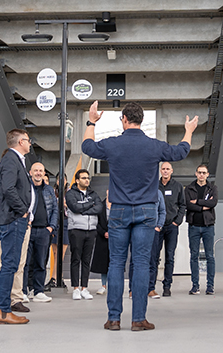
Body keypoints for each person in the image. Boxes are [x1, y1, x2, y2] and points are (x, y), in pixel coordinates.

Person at [81, 100, 196, 331]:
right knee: (142, 263)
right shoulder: (154, 146)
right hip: (146, 210)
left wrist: (91, 122)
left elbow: (87, 146)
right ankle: (138, 319)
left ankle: (113, 319)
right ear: (141, 121)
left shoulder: (113, 144)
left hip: (119, 210)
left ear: (124, 120)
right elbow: (181, 151)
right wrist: (188, 131)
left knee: (116, 264)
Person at [0, 130, 35, 325]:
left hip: (13, 218)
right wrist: (23, 210)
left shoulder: (16, 160)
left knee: (10, 264)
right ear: (20, 142)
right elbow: (8, 188)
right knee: (9, 265)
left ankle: (2, 308)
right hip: (12, 218)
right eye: (27, 140)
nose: (30, 143)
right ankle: (3, 310)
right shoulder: (11, 159)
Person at [149, 161, 184, 298]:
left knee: (169, 257)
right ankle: (151, 287)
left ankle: (167, 286)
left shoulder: (178, 186)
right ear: (160, 171)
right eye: (163, 169)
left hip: (171, 227)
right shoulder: (153, 186)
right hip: (157, 227)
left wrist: (177, 222)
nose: (165, 171)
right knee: (154, 257)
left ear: (172, 171)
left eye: (167, 169)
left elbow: (182, 205)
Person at [66, 168, 103, 300]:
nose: (86, 180)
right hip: (76, 229)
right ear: (77, 180)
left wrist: (84, 209)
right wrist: (89, 205)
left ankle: (84, 288)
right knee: (76, 259)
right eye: (83, 178)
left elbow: (99, 208)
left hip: (91, 229)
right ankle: (75, 288)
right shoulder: (70, 193)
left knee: (86, 260)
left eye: (87, 178)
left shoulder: (93, 194)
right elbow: (75, 207)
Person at [26, 162, 57, 302]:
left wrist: (51, 227)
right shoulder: (26, 188)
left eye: (41, 171)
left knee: (40, 263)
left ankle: (38, 291)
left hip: (44, 231)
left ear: (44, 173)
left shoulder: (49, 190)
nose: (38, 173)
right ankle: (23, 291)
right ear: (30, 172)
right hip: (28, 230)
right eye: (36, 170)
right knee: (25, 262)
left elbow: (55, 210)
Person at [185, 163, 218, 296]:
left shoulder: (212, 188)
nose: (201, 175)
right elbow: (187, 204)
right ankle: (195, 286)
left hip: (208, 226)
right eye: (199, 172)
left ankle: (210, 286)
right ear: (196, 173)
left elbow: (213, 203)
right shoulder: (189, 188)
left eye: (204, 173)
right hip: (193, 226)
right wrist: (203, 206)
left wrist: (197, 202)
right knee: (194, 256)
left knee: (209, 256)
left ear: (207, 174)